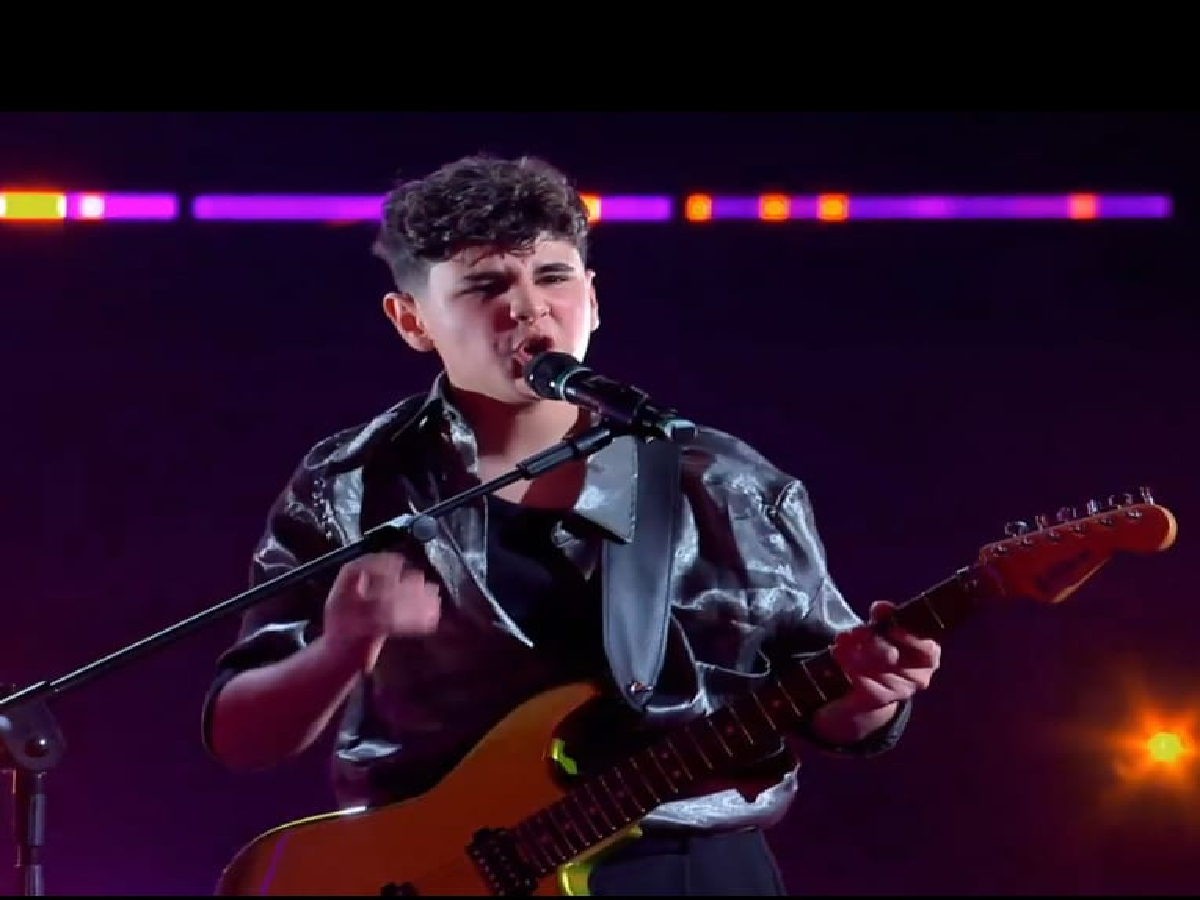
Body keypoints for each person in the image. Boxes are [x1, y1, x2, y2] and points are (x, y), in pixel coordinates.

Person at [201, 153, 944, 895]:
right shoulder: (352, 482)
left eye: (552, 277)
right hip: (440, 877)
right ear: (412, 320)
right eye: (486, 286)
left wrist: (875, 693)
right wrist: (342, 648)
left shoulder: (725, 485)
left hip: (686, 873)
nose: (529, 308)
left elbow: (835, 716)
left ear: (592, 297)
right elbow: (242, 738)